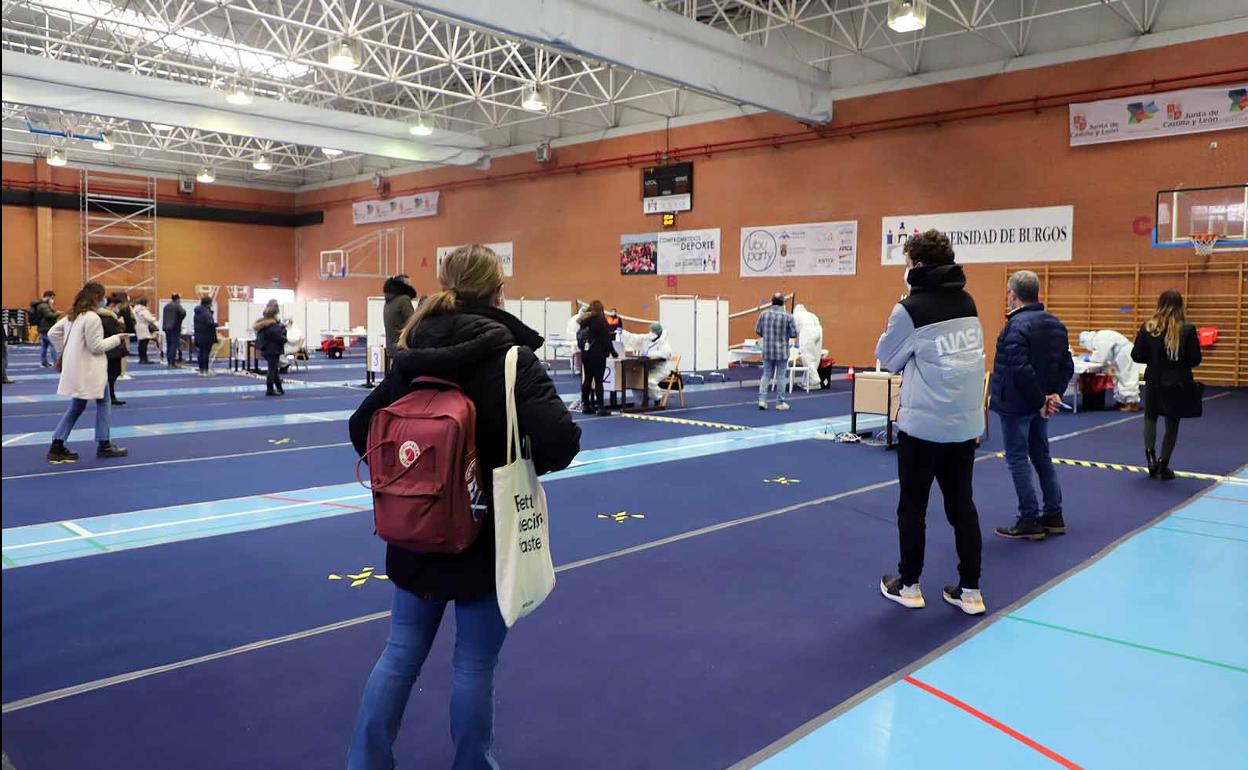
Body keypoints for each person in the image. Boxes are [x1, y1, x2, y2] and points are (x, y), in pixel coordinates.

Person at [346, 244, 580, 770]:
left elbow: (363, 428)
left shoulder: (412, 353)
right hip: (485, 538)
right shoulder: (511, 358)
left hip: (413, 529)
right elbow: (561, 442)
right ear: (498, 290)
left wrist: (409, 474)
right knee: (474, 665)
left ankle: (364, 762)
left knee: (399, 655)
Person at [875, 230, 986, 616]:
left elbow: (887, 358)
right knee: (962, 507)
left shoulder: (909, 309)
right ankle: (970, 590)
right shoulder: (968, 302)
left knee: (913, 508)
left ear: (918, 265)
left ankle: (909, 585)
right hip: (964, 426)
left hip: (923, 427)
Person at [990, 271, 1074, 541]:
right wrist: (1052, 396)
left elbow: (1019, 369)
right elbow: (1067, 365)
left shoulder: (1015, 327)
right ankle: (1054, 514)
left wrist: (1041, 400)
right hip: (1040, 403)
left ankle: (1029, 517)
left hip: (1018, 404)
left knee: (1018, 459)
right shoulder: (1056, 324)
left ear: (1012, 295)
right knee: (1041, 456)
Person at [45, 281, 128, 463]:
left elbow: (52, 334)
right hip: (91, 370)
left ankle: (57, 444)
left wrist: (65, 353)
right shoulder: (91, 318)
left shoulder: (72, 316)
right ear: (98, 297)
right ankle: (104, 444)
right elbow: (96, 347)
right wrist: (117, 338)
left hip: (77, 368)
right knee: (104, 402)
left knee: (77, 406)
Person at [1132, 290, 1202, 480]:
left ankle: (1150, 458)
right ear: (1180, 305)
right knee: (1172, 421)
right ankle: (1164, 464)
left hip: (1154, 380)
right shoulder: (1187, 328)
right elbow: (1195, 359)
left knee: (1150, 417)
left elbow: (1136, 355)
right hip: (1177, 382)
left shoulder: (1148, 328)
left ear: (1159, 304)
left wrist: (1154, 358)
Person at [1078, 329, 1141, 410]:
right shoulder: (1100, 336)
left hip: (1125, 354)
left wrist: (1090, 358)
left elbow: (1102, 357)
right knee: (1119, 378)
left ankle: (1131, 403)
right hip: (1121, 355)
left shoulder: (1099, 338)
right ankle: (1122, 402)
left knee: (1126, 378)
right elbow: (1105, 354)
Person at [755, 293, 797, 411]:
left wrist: (767, 335)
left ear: (772, 302)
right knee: (781, 376)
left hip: (767, 350)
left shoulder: (763, 314)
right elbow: (794, 334)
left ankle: (762, 400)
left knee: (766, 374)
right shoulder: (788, 317)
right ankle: (780, 402)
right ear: (783, 302)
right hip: (782, 351)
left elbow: (758, 330)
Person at [578, 300, 617, 416]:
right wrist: (613, 352)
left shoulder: (583, 320)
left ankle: (585, 404)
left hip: (585, 353)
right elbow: (606, 338)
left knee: (587, 379)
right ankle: (601, 407)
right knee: (599, 381)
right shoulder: (600, 320)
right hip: (598, 354)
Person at [624, 323, 675, 403]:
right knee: (635, 382)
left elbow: (667, 354)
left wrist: (650, 354)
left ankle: (658, 398)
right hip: (647, 368)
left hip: (660, 369)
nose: (650, 332)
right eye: (650, 330)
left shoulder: (663, 342)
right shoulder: (647, 338)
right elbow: (635, 338)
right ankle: (644, 399)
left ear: (658, 332)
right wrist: (623, 333)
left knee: (649, 382)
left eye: (652, 331)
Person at [98, 294, 130, 406]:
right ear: (112, 305)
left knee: (112, 373)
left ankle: (109, 396)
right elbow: (114, 332)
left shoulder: (106, 316)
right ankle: (109, 396)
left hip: (110, 348)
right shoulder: (108, 317)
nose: (119, 308)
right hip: (111, 349)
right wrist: (121, 324)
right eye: (118, 306)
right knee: (111, 374)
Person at [254, 300, 288, 396]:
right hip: (273, 350)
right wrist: (284, 338)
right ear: (274, 315)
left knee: (274, 369)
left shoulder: (262, 325)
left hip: (266, 349)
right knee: (272, 370)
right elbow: (279, 338)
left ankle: (279, 388)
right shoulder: (273, 326)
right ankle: (270, 389)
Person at [382, 274, 417, 355]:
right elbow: (412, 323)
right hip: (403, 347)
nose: (410, 286)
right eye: (408, 284)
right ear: (402, 285)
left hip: (391, 347)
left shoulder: (388, 302)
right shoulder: (404, 300)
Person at [792, 303, 824, 390]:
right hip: (819, 330)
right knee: (816, 356)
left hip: (807, 331)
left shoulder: (795, 315)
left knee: (807, 357)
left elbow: (793, 332)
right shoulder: (811, 314)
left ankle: (815, 380)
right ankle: (809, 381)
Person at [30, 290, 59, 367]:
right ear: (48, 297)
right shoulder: (44, 305)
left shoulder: (40, 305)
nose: (53, 300)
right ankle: (56, 362)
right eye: (52, 297)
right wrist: (57, 313)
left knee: (44, 346)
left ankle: (44, 362)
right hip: (47, 327)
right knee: (53, 345)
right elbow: (49, 315)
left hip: (42, 327)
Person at [192, 296, 217, 375]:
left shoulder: (197, 312)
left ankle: (201, 369)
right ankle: (205, 370)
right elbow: (209, 323)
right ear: (209, 304)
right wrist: (216, 324)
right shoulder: (206, 312)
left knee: (201, 353)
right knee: (205, 353)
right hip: (207, 335)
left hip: (199, 335)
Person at [162, 293, 186, 367]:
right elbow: (183, 313)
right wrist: (179, 320)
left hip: (166, 327)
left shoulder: (166, 306)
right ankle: (172, 363)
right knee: (173, 345)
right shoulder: (177, 306)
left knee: (169, 344)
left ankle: (169, 362)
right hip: (174, 328)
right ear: (178, 299)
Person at [133, 298, 159, 363]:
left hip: (138, 326)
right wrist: (154, 318)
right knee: (144, 344)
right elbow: (149, 319)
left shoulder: (136, 310)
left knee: (141, 343)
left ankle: (141, 358)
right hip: (144, 327)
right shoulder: (144, 311)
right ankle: (144, 359)